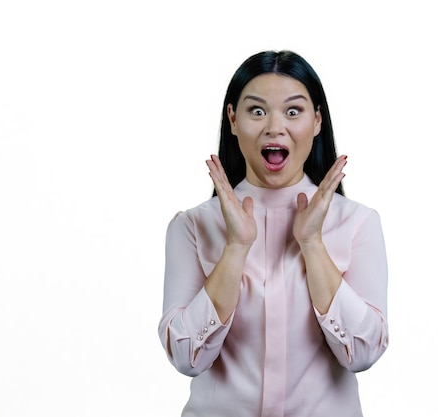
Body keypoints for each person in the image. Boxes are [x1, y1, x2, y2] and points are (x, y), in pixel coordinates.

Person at [158, 50, 389, 417]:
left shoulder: (358, 223)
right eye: (257, 111)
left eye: (293, 111)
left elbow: (363, 354)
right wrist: (235, 247)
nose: (274, 127)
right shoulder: (193, 226)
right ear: (233, 119)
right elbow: (187, 358)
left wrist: (312, 243)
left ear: (317, 121)